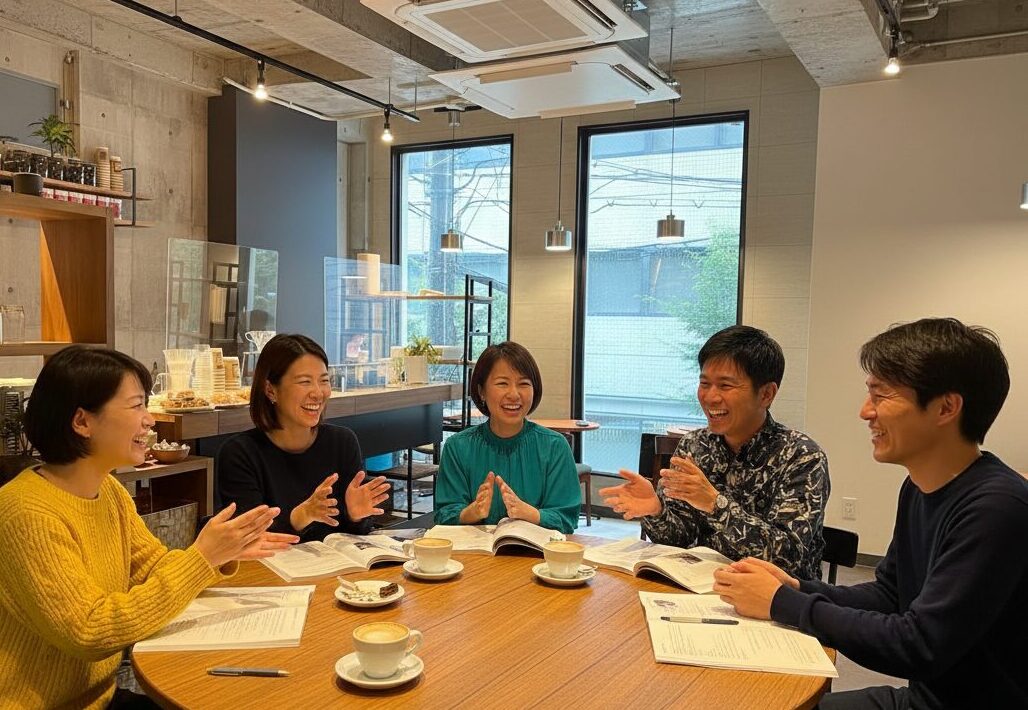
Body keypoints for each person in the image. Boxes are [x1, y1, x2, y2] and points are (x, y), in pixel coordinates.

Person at [713, 318, 1028, 709]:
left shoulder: (997, 508)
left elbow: (917, 645)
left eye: (881, 396)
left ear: (946, 407)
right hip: (928, 697)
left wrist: (783, 603)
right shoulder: (918, 487)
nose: (866, 412)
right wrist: (799, 588)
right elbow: (889, 594)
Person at [0, 346, 297, 709]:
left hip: (99, 698)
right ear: (82, 422)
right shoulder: (26, 512)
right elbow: (89, 631)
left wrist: (219, 555)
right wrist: (201, 558)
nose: (150, 420)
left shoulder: (108, 491)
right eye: (136, 405)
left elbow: (153, 568)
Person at [600, 325, 830, 580]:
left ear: (766, 394)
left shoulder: (801, 456)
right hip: (699, 585)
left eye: (725, 385)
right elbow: (678, 540)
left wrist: (714, 504)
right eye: (704, 383)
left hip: (773, 597)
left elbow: (788, 557)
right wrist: (656, 510)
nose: (710, 397)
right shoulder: (694, 445)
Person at [218, 334, 390, 542]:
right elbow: (248, 538)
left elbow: (356, 534)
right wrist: (301, 516)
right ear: (271, 390)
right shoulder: (240, 454)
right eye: (305, 382)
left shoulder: (342, 442)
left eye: (324, 381)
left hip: (336, 561)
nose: (318, 393)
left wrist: (356, 515)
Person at [434, 341, 580, 533]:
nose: (514, 394)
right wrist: (472, 512)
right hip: (475, 551)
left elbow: (567, 519)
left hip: (535, 551)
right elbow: (443, 515)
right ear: (481, 391)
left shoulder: (554, 446)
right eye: (502, 383)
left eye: (524, 384)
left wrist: (531, 514)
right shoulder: (458, 447)